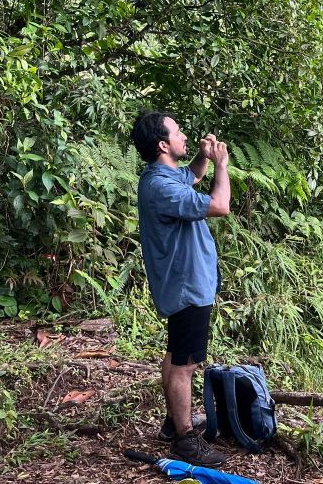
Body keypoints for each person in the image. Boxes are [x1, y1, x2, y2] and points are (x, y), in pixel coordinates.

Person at [130, 110, 230, 468]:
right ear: (162, 144)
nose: (184, 136)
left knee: (176, 356)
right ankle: (186, 440)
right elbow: (220, 205)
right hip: (187, 285)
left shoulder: (162, 177)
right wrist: (221, 164)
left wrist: (203, 157)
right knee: (186, 364)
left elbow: (192, 177)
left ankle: (174, 424)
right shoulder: (161, 186)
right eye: (178, 132)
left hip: (184, 282)